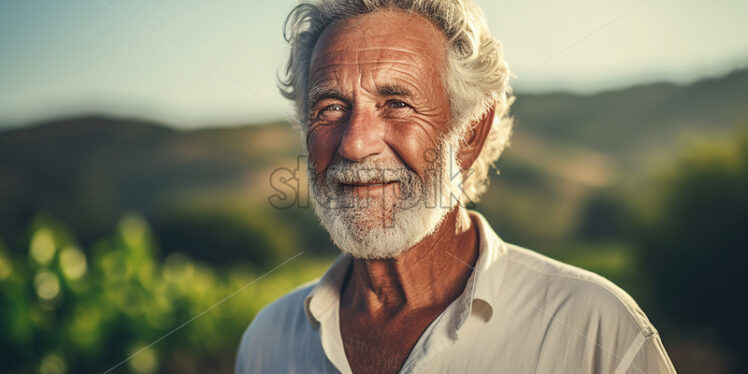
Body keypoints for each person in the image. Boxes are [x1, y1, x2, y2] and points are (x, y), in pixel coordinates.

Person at [235, 1, 676, 373]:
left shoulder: (595, 331)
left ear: (468, 137)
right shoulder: (267, 343)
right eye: (330, 108)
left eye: (396, 104)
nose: (354, 143)